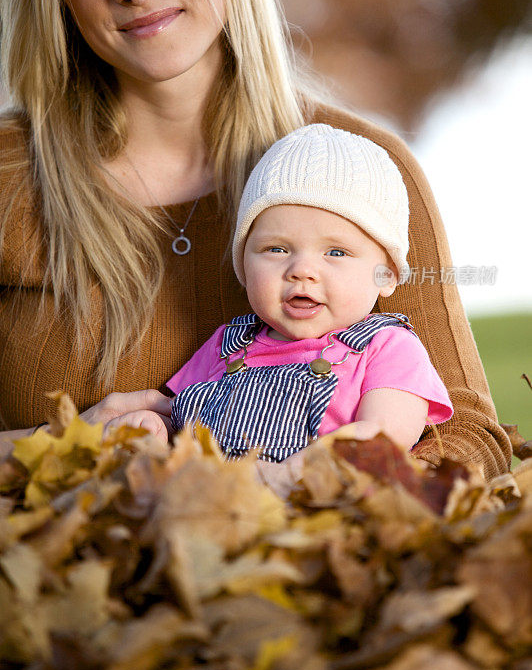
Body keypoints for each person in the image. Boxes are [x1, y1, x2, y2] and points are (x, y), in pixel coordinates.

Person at [0, 0, 510, 478]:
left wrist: (311, 494)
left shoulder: (364, 170)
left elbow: (471, 438)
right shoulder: (10, 176)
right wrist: (62, 445)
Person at [109, 125, 453, 461]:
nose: (301, 270)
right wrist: (154, 426)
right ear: (243, 264)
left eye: (335, 252)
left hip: (317, 508)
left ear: (388, 275)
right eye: (277, 249)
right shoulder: (226, 346)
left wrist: (291, 477)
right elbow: (181, 422)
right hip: (210, 505)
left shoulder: (389, 349)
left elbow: (382, 439)